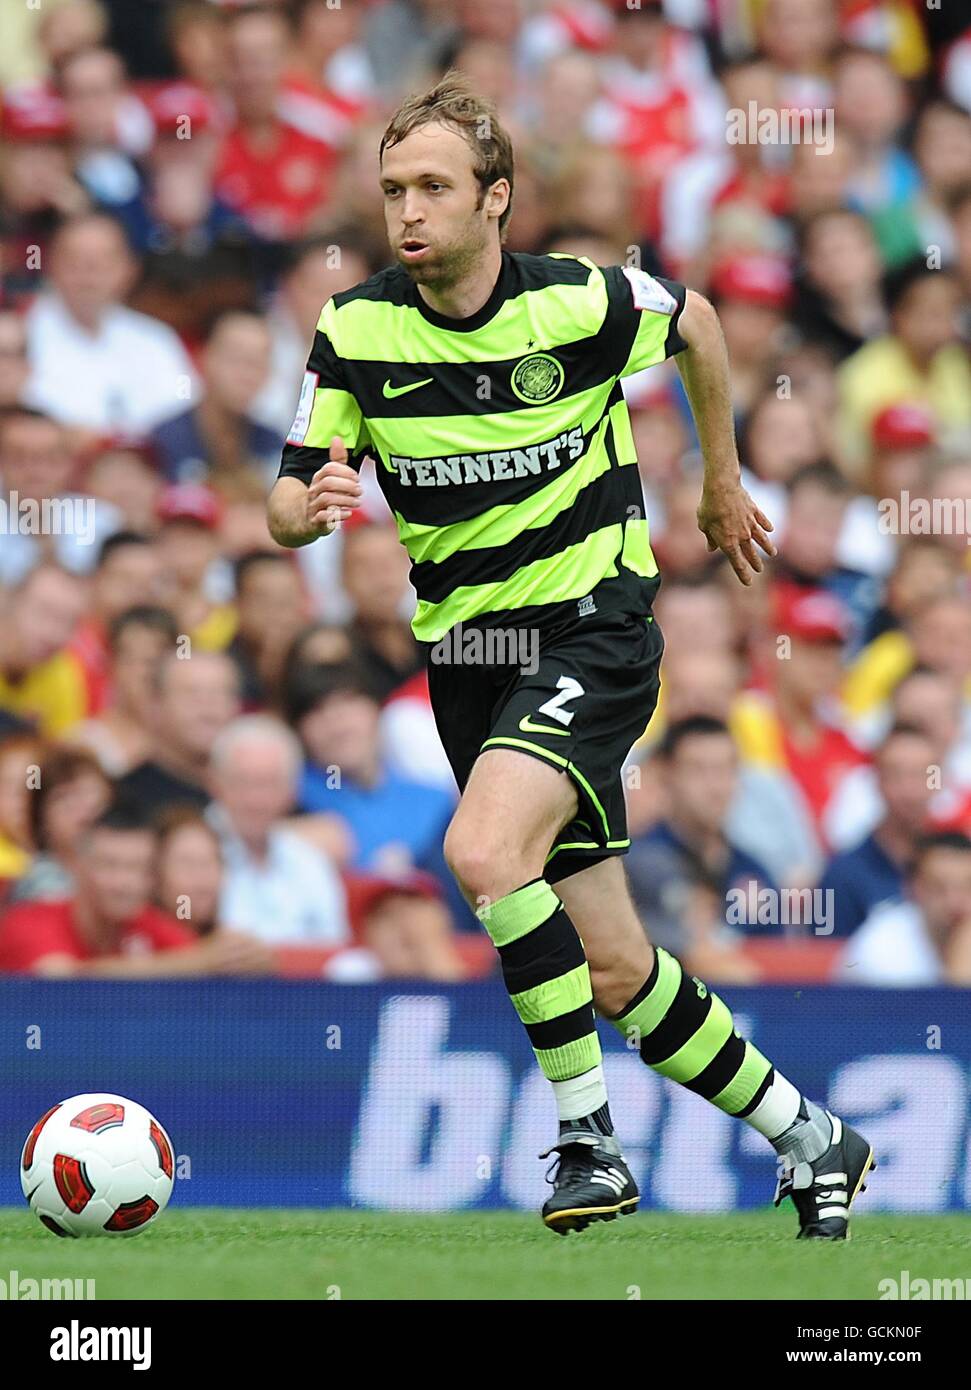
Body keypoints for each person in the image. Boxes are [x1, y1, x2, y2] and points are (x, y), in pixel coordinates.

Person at [266, 75, 875, 1239]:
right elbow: (288, 498)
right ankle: (811, 1134)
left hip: (591, 631)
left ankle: (588, 1141)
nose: (407, 211)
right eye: (394, 188)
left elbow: (693, 320)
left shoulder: (578, 305)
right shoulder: (355, 328)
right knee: (611, 968)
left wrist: (719, 482)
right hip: (467, 661)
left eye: (434, 187)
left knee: (485, 853)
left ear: (495, 200)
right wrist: (308, 508)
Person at [0, 802, 274, 977]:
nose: (124, 883)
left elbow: (204, 959)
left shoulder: (148, 925)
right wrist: (200, 962)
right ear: (77, 867)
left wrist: (243, 957)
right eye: (109, 865)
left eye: (137, 868)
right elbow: (62, 984)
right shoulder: (30, 921)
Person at [206, 715, 349, 945]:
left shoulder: (309, 860)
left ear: (292, 791)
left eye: (268, 784)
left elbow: (333, 950)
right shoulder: (189, 854)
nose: (255, 799)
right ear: (215, 783)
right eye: (242, 782)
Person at [836, 832, 971, 986]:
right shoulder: (882, 948)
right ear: (912, 889)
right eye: (938, 887)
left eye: (967, 887)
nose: (955, 901)